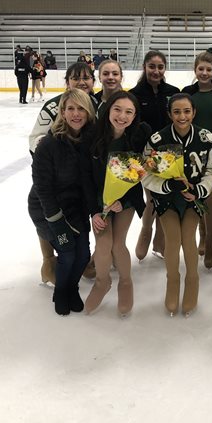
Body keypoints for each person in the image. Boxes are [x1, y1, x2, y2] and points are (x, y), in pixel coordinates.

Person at [142, 94, 212, 317]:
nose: (182, 116)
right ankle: (172, 281)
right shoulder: (157, 140)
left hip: (192, 198)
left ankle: (192, 280)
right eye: (176, 112)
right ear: (169, 114)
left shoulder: (206, 138)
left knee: (188, 238)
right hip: (166, 199)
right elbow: (145, 173)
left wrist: (199, 190)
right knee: (173, 240)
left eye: (186, 111)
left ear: (194, 112)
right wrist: (165, 186)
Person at [82, 92, 151, 316]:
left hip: (126, 200)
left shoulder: (138, 137)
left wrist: (122, 200)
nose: (122, 116)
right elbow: (86, 178)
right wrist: (94, 211)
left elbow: (138, 174)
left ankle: (126, 282)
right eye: (117, 109)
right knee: (103, 243)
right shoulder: (92, 136)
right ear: (108, 110)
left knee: (118, 243)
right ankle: (102, 282)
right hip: (99, 201)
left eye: (129, 112)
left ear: (135, 115)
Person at [28, 89, 96, 315]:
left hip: (76, 208)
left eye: (81, 109)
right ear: (62, 112)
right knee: (67, 253)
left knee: (83, 256)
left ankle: (71, 288)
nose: (76, 114)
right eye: (71, 109)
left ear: (88, 112)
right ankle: (61, 292)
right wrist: (56, 220)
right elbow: (42, 188)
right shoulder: (48, 144)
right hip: (48, 208)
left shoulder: (90, 141)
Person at [129, 50, 179, 260]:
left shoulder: (173, 92)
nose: (156, 71)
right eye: (152, 66)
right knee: (151, 197)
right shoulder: (134, 94)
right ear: (145, 67)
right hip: (145, 154)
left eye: (160, 67)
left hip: (170, 155)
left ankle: (160, 236)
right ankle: (146, 230)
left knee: (165, 196)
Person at [182, 49, 212, 269]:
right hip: (193, 153)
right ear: (195, 69)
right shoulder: (187, 93)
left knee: (211, 198)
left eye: (209, 69)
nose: (204, 73)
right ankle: (201, 234)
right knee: (196, 196)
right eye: (201, 68)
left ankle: (211, 241)